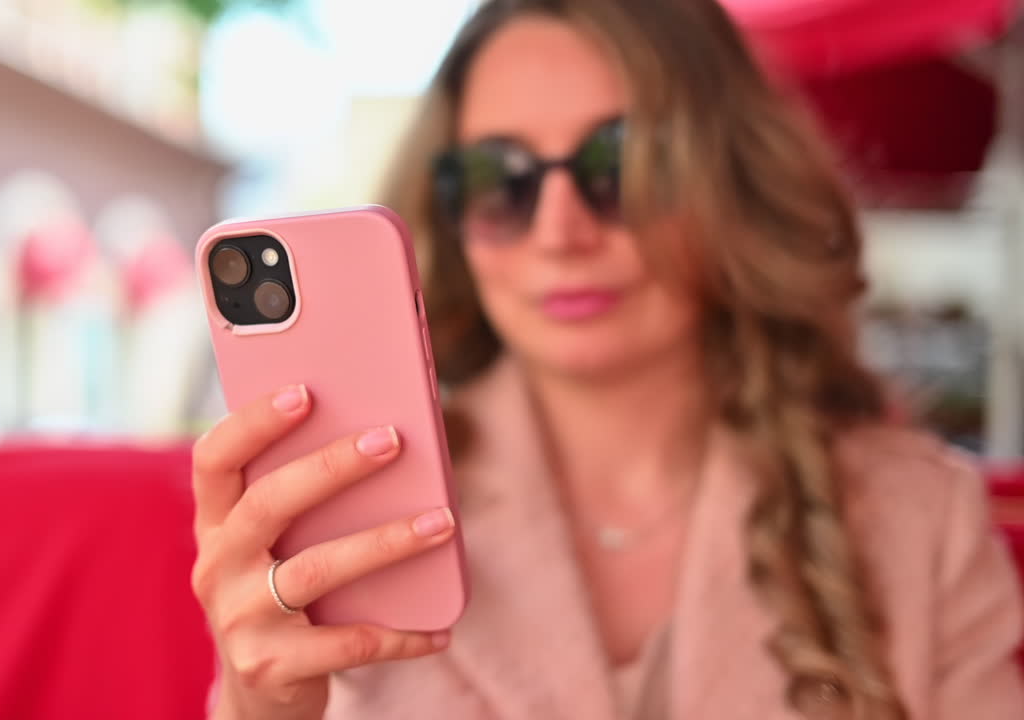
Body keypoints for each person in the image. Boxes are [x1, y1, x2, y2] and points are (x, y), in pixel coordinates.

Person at [189, 1, 1024, 718]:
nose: (560, 231)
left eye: (620, 162)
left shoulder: (925, 523)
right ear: (451, 216)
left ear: (732, 181)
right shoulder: (346, 514)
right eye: (498, 177)